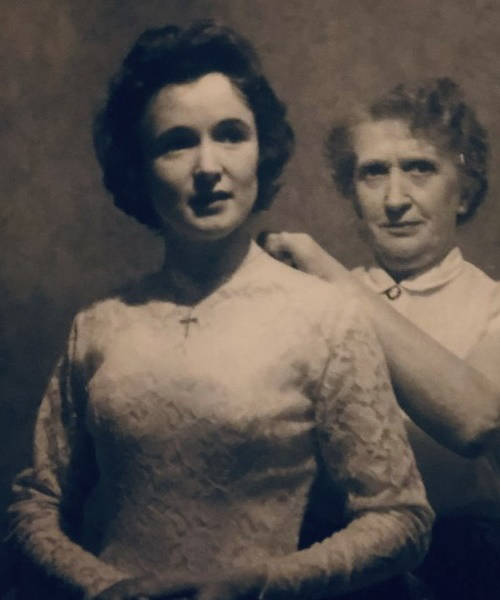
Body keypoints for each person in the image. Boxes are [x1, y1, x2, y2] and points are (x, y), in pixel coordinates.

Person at [6, 20, 432, 600]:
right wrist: (104, 588)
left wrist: (257, 583)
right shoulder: (100, 324)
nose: (208, 166)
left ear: (262, 151)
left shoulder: (326, 318)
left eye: (231, 135)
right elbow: (35, 503)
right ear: (139, 166)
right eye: (176, 142)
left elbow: (401, 519)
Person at [262, 77, 500, 599]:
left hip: (464, 573)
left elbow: (478, 422)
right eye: (373, 173)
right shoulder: (304, 299)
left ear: (464, 190)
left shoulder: (493, 305)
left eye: (419, 168)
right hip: (330, 572)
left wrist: (328, 275)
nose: (394, 199)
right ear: (353, 193)